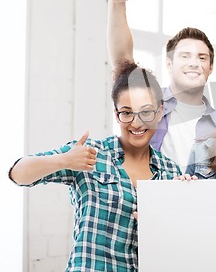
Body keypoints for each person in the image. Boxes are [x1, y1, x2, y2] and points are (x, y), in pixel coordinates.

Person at [8, 62, 181, 271]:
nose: (136, 123)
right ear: (117, 114)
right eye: (127, 113)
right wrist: (64, 160)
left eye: (146, 112)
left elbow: (175, 244)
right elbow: (17, 174)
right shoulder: (89, 154)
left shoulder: (171, 172)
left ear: (160, 111)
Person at [107, 0, 216, 173]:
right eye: (185, 56)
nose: (194, 63)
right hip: (147, 198)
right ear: (169, 64)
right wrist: (117, 5)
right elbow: (122, 63)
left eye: (202, 57)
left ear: (210, 68)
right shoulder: (148, 104)